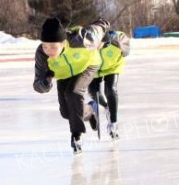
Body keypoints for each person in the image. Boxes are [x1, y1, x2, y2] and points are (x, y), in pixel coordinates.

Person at [33, 18, 110, 153]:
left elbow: (102, 25)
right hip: (64, 75)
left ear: (63, 43)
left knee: (73, 93)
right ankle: (91, 110)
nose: (48, 50)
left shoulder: (81, 39)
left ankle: (76, 137)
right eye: (45, 46)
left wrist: (105, 36)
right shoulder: (41, 54)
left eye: (53, 47)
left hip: (88, 65)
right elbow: (37, 83)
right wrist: (45, 83)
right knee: (67, 112)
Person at [88, 30, 130, 139]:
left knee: (111, 90)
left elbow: (126, 49)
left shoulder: (117, 43)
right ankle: (106, 107)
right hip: (95, 69)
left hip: (112, 67)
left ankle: (113, 123)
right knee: (94, 93)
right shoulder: (87, 45)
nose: (96, 47)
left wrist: (123, 47)